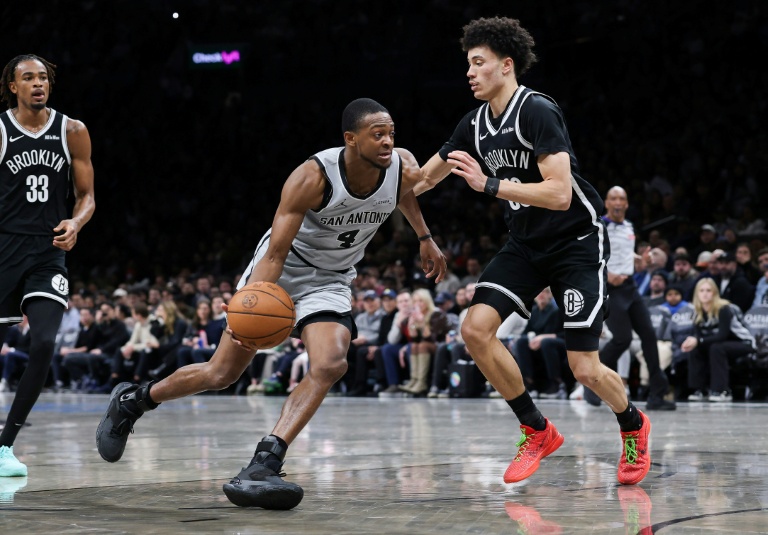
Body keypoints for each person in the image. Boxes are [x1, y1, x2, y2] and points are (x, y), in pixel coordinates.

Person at [95, 98, 446, 509]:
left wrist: (424, 236)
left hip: (331, 279)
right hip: (282, 271)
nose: (388, 141)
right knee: (222, 372)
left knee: (331, 364)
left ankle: (266, 460)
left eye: (391, 133)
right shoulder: (312, 177)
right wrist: (251, 308)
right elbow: (276, 252)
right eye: (377, 134)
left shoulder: (399, 163)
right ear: (351, 140)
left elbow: (404, 190)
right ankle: (134, 400)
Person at [415, 17, 651, 486]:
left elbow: (560, 192)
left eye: (478, 63)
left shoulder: (537, 110)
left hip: (576, 243)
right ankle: (536, 429)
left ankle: (633, 424)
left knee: (583, 366)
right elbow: (421, 181)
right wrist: (374, 177)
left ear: (506, 66)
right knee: (475, 329)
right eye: (468, 64)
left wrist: (489, 183)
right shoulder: (473, 125)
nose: (470, 72)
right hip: (526, 243)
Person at [0, 54, 95, 477]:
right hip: (4, 250)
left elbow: (87, 194)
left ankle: (4, 447)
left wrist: (76, 221)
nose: (37, 84)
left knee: (42, 343)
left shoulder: (72, 131)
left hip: (47, 252)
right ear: (12, 87)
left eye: (43, 78)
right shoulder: (1, 130)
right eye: (28, 78)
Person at [586, 186, 675, 410]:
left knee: (649, 335)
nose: (617, 202)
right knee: (622, 339)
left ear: (626, 204)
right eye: (613, 198)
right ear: (606, 203)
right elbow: (588, 258)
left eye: (622, 199)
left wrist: (640, 260)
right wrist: (608, 275)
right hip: (611, 289)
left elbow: (626, 254)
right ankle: (592, 381)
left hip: (631, 287)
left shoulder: (629, 226)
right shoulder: (599, 225)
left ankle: (657, 394)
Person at [683, 277, 756, 402]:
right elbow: (698, 336)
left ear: (715, 293)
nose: (705, 294)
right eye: (701, 291)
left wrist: (698, 340)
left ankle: (722, 391)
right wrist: (691, 341)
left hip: (743, 343)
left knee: (716, 348)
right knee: (696, 348)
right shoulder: (697, 312)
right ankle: (700, 390)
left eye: (708, 290)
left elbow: (722, 335)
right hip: (719, 344)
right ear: (697, 293)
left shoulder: (723, 309)